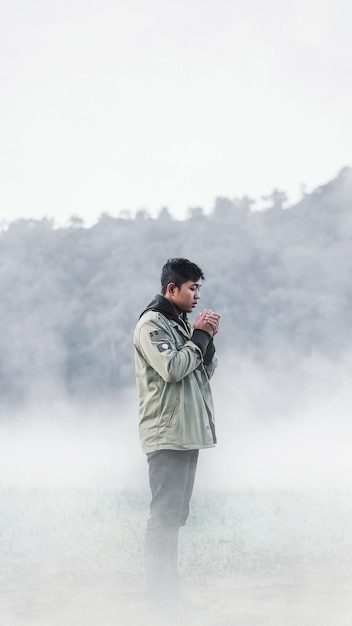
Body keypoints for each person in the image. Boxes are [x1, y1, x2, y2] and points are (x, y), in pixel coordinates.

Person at [133, 258, 220, 619]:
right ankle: (161, 603)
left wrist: (206, 341)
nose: (197, 294)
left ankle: (170, 598)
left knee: (174, 518)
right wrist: (199, 336)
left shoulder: (179, 323)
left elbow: (202, 372)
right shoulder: (152, 324)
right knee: (163, 519)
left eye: (199, 288)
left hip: (185, 433)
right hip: (166, 434)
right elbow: (172, 369)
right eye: (192, 288)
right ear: (172, 290)